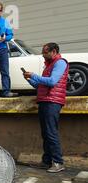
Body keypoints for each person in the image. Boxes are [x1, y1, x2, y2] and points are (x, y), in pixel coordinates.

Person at [23, 43, 68, 173]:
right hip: (45, 101)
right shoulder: (49, 65)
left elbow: (52, 81)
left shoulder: (60, 63)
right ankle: (47, 161)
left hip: (53, 102)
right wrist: (29, 79)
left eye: (45, 52)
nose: (43, 54)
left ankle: (58, 162)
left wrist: (34, 76)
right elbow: (40, 86)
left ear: (53, 51)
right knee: (46, 133)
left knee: (51, 132)